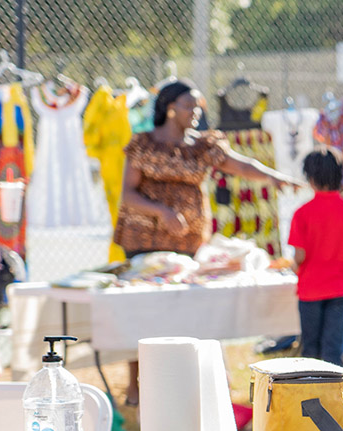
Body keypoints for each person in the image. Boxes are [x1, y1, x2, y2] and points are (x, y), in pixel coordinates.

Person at [112, 79, 300, 406]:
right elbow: (127, 195)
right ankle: (135, 386)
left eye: (198, 106)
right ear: (170, 108)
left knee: (187, 310)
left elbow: (240, 164)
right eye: (189, 106)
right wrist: (162, 213)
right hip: (144, 240)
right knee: (143, 311)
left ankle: (186, 384)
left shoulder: (202, 145)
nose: (196, 111)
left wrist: (273, 176)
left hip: (187, 244)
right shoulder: (143, 145)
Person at [288, 147, 343, 367]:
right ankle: (335, 397)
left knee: (310, 349)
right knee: (332, 350)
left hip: (310, 290)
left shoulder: (302, 213)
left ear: (310, 178)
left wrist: (294, 266)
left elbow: (299, 256)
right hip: (339, 289)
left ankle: (309, 395)